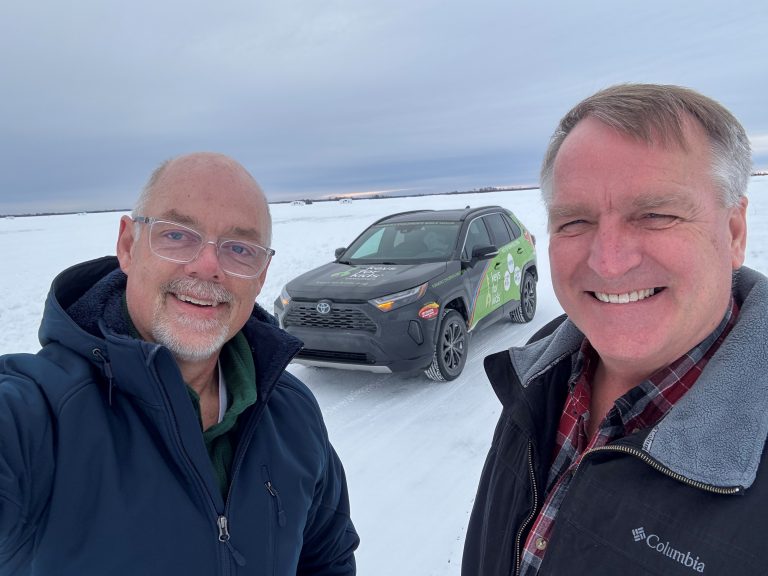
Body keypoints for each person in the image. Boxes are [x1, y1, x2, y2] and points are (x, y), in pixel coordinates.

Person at [0, 153, 359, 575]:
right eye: (177, 235)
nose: (208, 267)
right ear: (128, 246)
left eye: (239, 248)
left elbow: (326, 558)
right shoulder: (38, 415)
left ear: (261, 276)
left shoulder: (290, 410)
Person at [462, 84, 768, 575]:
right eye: (575, 221)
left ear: (733, 233)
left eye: (655, 215)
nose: (608, 263)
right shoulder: (539, 373)